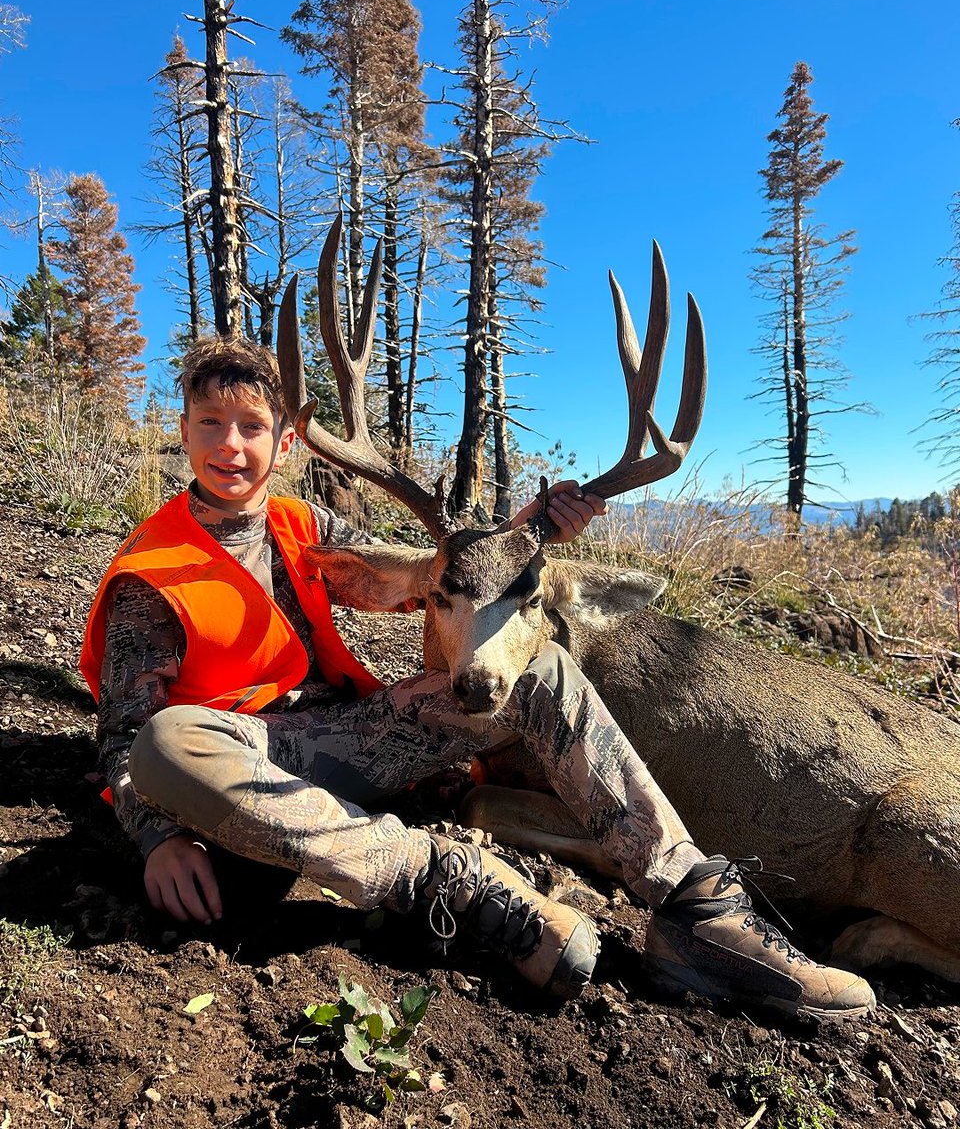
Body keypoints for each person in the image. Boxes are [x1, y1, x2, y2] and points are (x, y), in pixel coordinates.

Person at [80, 337, 876, 1019]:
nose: (231, 446)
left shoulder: (302, 525)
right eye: (211, 424)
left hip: (349, 740)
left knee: (541, 669)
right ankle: (447, 880)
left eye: (252, 427)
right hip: (243, 765)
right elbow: (123, 736)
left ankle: (695, 908)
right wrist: (157, 837)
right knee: (166, 741)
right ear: (182, 432)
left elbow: (449, 572)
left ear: (285, 444)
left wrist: (531, 531)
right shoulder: (154, 571)